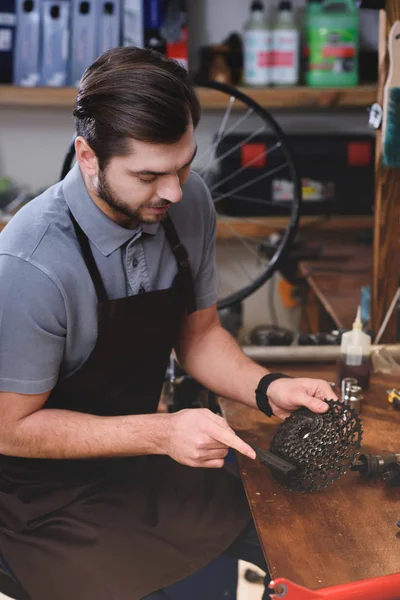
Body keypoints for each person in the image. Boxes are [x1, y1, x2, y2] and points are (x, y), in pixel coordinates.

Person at [0, 47, 337, 600]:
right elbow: (10, 427)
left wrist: (267, 387)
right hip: (39, 498)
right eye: (150, 175)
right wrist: (161, 432)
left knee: (293, 536)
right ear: (88, 156)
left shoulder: (189, 201)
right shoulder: (30, 263)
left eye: (185, 164)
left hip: (141, 460)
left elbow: (199, 336)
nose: (175, 192)